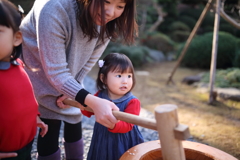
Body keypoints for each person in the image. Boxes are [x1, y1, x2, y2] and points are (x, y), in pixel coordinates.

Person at [20, 0, 138, 159]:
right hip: (38, 72)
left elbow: (90, 59)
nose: (110, 12)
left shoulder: (106, 21)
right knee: (50, 126)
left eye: (120, 6)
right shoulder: (54, 8)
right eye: (106, 2)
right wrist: (93, 101)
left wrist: (74, 88)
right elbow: (56, 71)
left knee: (74, 118)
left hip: (65, 76)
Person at [0, 0, 48, 159]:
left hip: (25, 148)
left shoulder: (18, 65)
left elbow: (25, 98)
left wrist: (34, 117)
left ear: (16, 38)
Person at [80, 53, 144, 160]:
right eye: (119, 76)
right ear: (103, 78)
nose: (125, 81)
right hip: (101, 139)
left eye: (129, 76)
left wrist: (112, 125)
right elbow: (87, 111)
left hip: (123, 141)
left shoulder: (132, 102)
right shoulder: (99, 96)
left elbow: (128, 125)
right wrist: (82, 103)